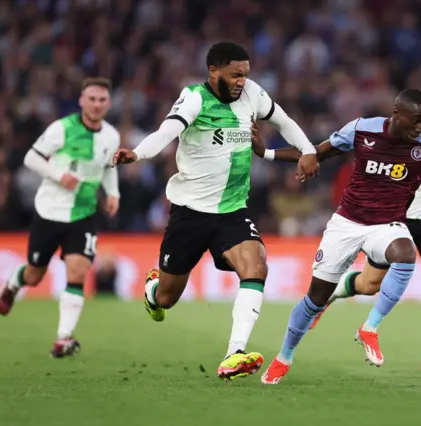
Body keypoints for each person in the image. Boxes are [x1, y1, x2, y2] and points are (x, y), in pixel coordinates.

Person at [254, 89, 421, 384]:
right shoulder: (362, 129)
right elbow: (318, 152)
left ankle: (370, 328)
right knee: (315, 298)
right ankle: (283, 358)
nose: (420, 127)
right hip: (347, 223)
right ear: (396, 114)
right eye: (416, 121)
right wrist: (268, 154)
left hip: (387, 224)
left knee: (405, 254)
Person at [112, 41, 319, 381]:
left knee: (256, 266)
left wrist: (308, 150)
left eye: (245, 74)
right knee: (166, 298)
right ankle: (153, 290)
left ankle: (233, 353)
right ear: (214, 71)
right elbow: (167, 132)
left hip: (232, 211)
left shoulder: (253, 94)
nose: (242, 81)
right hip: (190, 212)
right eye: (235, 74)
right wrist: (136, 154)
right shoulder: (194, 98)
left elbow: (284, 122)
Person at [0, 77, 121, 358]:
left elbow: (109, 166)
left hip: (84, 213)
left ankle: (63, 338)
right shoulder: (61, 129)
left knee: (77, 272)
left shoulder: (111, 136)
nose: (97, 104)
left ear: (108, 103)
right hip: (50, 212)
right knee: (34, 274)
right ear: (81, 100)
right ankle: (12, 285)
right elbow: (31, 158)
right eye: (92, 99)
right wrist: (57, 175)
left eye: (102, 100)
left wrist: (113, 193)